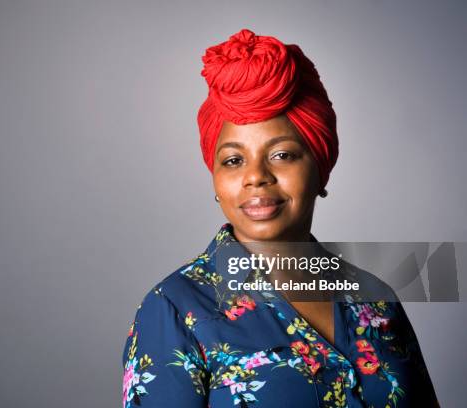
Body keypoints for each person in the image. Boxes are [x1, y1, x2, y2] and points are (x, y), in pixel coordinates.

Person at [121, 29, 439, 407]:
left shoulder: (377, 299)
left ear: (320, 168)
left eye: (282, 154)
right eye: (234, 160)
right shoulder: (174, 309)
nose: (255, 175)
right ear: (217, 181)